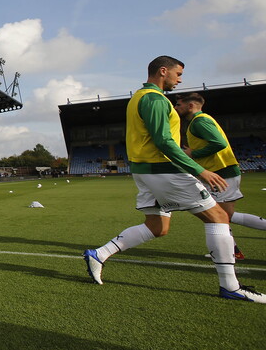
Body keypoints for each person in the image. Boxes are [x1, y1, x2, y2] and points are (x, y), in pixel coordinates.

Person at [83, 56, 264, 303]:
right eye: (178, 74)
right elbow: (164, 141)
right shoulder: (155, 99)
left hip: (145, 171)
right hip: (162, 170)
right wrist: (200, 170)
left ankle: (99, 254)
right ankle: (231, 287)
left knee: (157, 227)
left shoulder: (139, 97)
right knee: (219, 217)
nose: (179, 80)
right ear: (163, 71)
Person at [175, 93, 266, 259]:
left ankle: (231, 252)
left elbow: (219, 143)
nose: (176, 108)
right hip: (221, 173)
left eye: (179, 104)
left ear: (190, 106)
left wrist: (193, 153)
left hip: (222, 173)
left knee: (218, 216)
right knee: (222, 215)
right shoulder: (200, 121)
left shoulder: (200, 121)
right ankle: (233, 251)